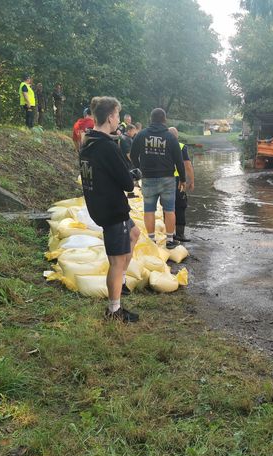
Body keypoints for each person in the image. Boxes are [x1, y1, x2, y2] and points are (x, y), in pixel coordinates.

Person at [79, 96, 140, 323]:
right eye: (116, 115)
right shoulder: (106, 146)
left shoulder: (88, 142)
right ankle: (114, 310)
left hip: (99, 205)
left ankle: (121, 282)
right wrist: (132, 174)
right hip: (112, 210)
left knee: (135, 234)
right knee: (116, 261)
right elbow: (127, 183)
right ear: (111, 116)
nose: (118, 120)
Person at [130, 108, 186, 249]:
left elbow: (132, 154)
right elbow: (179, 160)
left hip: (148, 178)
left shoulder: (141, 135)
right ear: (164, 120)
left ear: (151, 119)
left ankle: (151, 239)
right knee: (169, 210)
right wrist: (183, 179)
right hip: (167, 178)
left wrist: (140, 168)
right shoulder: (170, 137)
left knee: (149, 209)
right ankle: (169, 240)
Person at [168, 127, 195, 242]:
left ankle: (169, 234)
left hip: (164, 179)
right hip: (179, 180)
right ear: (177, 136)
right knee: (180, 206)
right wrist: (191, 180)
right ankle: (179, 234)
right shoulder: (181, 146)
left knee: (168, 206)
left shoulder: (162, 145)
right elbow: (187, 165)